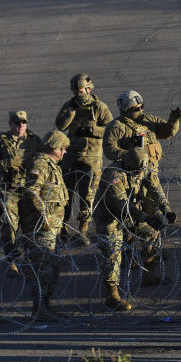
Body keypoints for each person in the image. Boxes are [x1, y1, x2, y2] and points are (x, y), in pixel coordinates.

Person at [93, 147, 176, 310]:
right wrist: (146, 217)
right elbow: (121, 205)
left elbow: (155, 188)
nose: (140, 173)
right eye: (137, 170)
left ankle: (147, 273)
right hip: (110, 217)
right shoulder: (115, 175)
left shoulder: (143, 168)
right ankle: (112, 295)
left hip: (135, 213)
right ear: (128, 164)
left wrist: (166, 208)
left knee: (153, 236)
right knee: (113, 253)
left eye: (142, 169)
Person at [103, 90, 181, 224]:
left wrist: (174, 121)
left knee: (153, 204)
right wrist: (130, 155)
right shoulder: (117, 127)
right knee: (134, 208)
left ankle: (150, 235)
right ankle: (133, 232)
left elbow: (168, 131)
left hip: (151, 172)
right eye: (136, 108)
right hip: (133, 175)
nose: (140, 110)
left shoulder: (149, 121)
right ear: (126, 110)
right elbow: (109, 149)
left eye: (141, 107)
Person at [55, 74, 114, 244]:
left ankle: (83, 228)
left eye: (80, 91)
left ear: (89, 90)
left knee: (87, 194)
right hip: (70, 155)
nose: (77, 94)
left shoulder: (99, 107)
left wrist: (92, 130)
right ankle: (63, 228)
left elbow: (110, 128)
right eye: (75, 91)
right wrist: (71, 112)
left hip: (91, 157)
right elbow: (60, 125)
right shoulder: (70, 105)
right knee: (66, 193)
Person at [20, 131, 70, 322]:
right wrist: (45, 217)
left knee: (52, 269)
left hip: (53, 227)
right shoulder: (40, 164)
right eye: (63, 148)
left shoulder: (53, 165)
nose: (64, 152)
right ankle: (39, 308)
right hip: (42, 227)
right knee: (42, 269)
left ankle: (45, 306)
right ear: (54, 147)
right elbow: (32, 192)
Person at [0, 110, 43, 272]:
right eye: (16, 122)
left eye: (23, 122)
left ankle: (30, 258)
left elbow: (45, 158)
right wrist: (7, 164)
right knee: (9, 226)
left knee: (30, 225)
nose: (20, 126)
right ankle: (11, 259)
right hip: (10, 190)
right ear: (10, 124)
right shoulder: (1, 142)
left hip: (28, 190)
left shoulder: (34, 140)